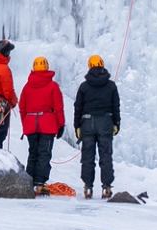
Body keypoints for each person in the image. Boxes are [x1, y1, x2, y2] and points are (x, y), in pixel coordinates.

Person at [73, 53, 121, 200]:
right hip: (105, 122)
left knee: (88, 156)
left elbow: (78, 107)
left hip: (87, 123)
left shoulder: (84, 86)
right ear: (102, 65)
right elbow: (115, 106)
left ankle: (88, 187)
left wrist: (77, 126)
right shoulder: (111, 85)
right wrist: (117, 123)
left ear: (89, 66)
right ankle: (106, 187)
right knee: (105, 155)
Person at [18, 55, 66, 189]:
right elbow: (58, 108)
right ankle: (39, 181)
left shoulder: (27, 87)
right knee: (44, 153)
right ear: (46, 67)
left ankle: (29, 180)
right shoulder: (53, 86)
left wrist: (25, 124)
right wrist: (61, 124)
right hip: (48, 124)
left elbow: (22, 108)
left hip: (30, 124)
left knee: (33, 152)